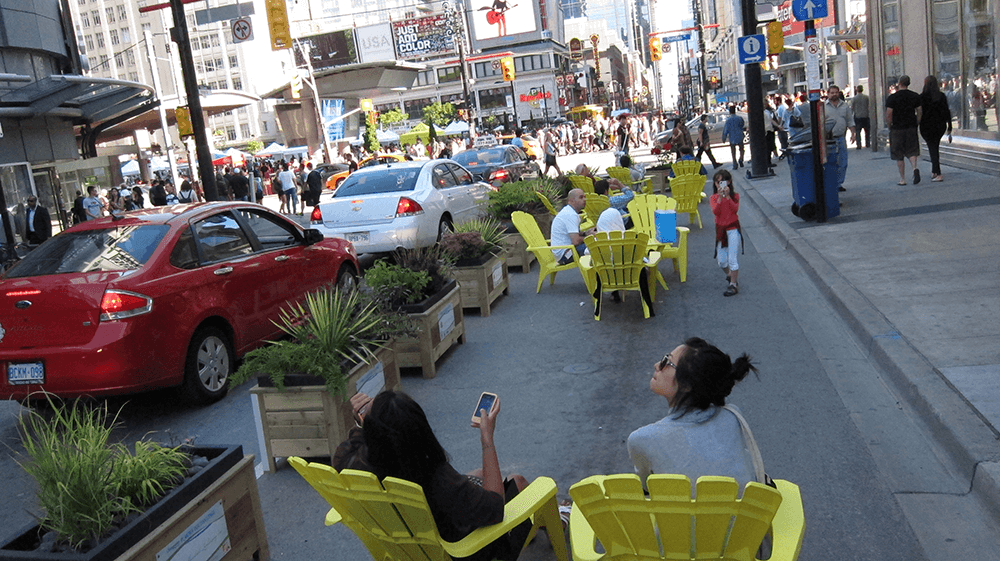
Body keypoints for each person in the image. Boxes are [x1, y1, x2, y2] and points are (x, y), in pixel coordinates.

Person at [336, 390, 532, 561]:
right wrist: (487, 438)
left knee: (480, 474)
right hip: (464, 551)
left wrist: (365, 419)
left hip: (409, 547)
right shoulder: (436, 478)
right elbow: (496, 506)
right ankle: (559, 518)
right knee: (518, 482)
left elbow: (357, 442)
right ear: (420, 429)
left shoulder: (353, 463)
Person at [627, 337, 759, 491]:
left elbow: (645, 486)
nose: (657, 365)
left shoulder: (642, 439)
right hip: (743, 514)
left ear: (686, 385)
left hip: (677, 515)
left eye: (666, 362)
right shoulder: (733, 416)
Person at [885, 75, 923, 185]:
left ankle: (903, 179)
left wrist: (889, 125)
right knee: (912, 150)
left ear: (899, 83)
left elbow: (889, 113)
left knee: (899, 154)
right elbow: (919, 110)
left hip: (897, 128)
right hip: (911, 126)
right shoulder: (915, 96)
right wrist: (917, 121)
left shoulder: (892, 98)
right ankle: (915, 168)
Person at [710, 169, 743, 297]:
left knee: (732, 259)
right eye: (717, 182)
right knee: (722, 261)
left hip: (733, 229)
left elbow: (735, 210)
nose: (720, 185)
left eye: (722, 182)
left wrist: (728, 197)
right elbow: (716, 212)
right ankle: (731, 276)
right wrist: (719, 198)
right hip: (721, 230)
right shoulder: (713, 198)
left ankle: (733, 285)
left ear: (728, 182)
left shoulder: (735, 196)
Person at [920, 75, 953, 182]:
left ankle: (938, 172)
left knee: (932, 148)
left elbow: (919, 112)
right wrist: (949, 126)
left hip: (926, 125)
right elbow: (947, 111)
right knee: (935, 147)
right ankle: (935, 171)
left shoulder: (922, 97)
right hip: (939, 125)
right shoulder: (941, 96)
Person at [825, 85, 855, 192]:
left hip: (841, 138)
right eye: (832, 93)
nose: (834, 94)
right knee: (831, 162)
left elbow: (849, 120)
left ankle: (838, 183)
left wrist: (853, 132)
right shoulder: (824, 107)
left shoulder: (844, 106)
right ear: (828, 94)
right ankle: (832, 183)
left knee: (843, 162)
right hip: (829, 140)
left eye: (836, 92)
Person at [550, 188, 591, 265]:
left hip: (565, 251)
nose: (585, 200)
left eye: (585, 197)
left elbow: (573, 234)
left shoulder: (569, 211)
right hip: (565, 255)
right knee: (596, 247)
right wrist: (590, 237)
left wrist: (586, 233)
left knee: (595, 245)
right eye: (581, 197)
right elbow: (576, 241)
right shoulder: (570, 215)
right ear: (572, 200)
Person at [722, 105, 746, 170]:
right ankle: (741, 158)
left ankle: (734, 163)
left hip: (732, 137)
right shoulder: (739, 118)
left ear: (730, 111)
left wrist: (723, 138)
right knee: (741, 149)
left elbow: (725, 130)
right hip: (739, 135)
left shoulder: (728, 120)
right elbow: (742, 125)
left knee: (733, 151)